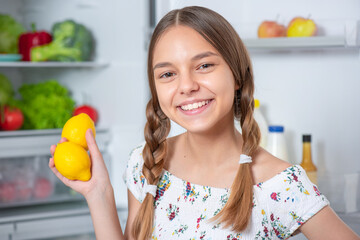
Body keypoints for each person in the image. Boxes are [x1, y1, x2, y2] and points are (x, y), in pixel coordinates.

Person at [49, 6, 360, 240]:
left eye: (204, 65)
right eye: (168, 74)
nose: (186, 86)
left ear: (237, 75)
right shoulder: (145, 162)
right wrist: (98, 194)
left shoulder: (280, 186)